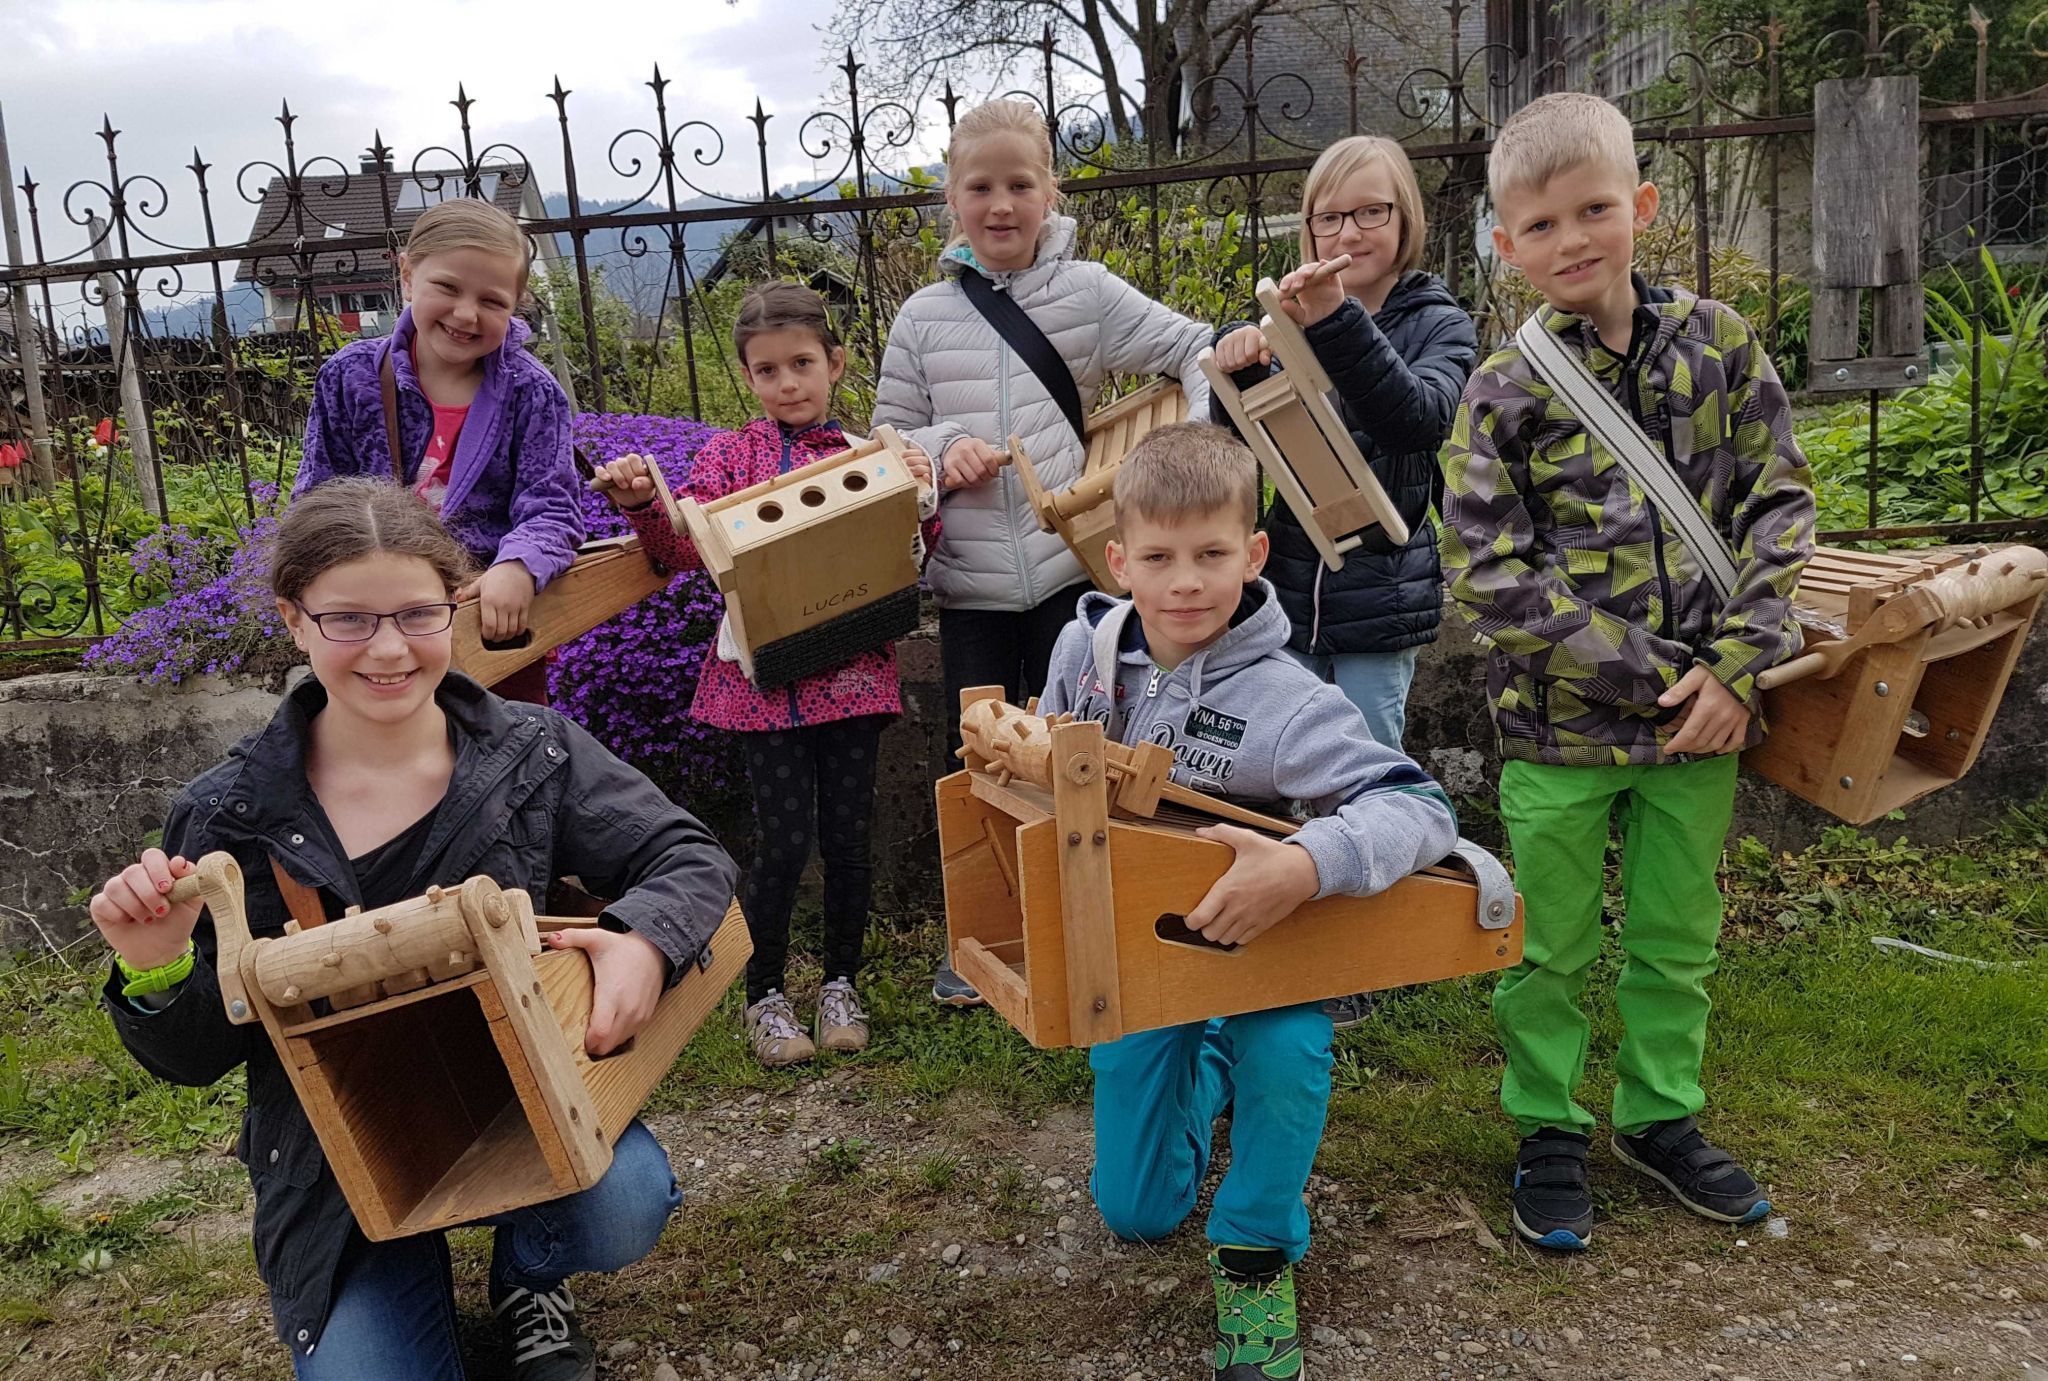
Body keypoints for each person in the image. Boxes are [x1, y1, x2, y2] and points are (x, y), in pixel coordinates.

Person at [90, 479, 738, 1380]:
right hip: (338, 1161)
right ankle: (391, 1268)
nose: (389, 648)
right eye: (349, 619)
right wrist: (157, 969)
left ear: (455, 604)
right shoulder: (227, 814)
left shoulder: (533, 753)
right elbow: (200, 1055)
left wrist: (645, 940)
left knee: (622, 1203)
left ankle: (528, 1275)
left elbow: (687, 854)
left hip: (518, 1102)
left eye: (417, 614)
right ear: (293, 619)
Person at [1438, 91, 1815, 1251]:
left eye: (1592, 209)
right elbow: (1486, 572)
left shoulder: (1719, 344)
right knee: (1546, 946)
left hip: (1705, 723)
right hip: (1557, 734)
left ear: (1640, 206)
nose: (1571, 241)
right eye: (1539, 225)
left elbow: (1778, 505)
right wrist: (1663, 675)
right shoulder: (1502, 390)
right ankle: (1546, 1125)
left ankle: (1658, 1115)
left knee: (1674, 936)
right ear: (1504, 244)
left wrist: (1737, 670)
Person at [1038, 423, 1459, 1380]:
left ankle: (1256, 1249)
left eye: (1212, 555)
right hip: (1145, 957)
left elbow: (1421, 807)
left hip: (1267, 953)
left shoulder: (1292, 701)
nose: (1185, 582)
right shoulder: (1081, 654)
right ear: (1119, 560)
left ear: (1254, 554)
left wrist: (1305, 864)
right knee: (1136, 1212)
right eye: (1158, 558)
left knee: (1286, 1049)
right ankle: (1205, 1067)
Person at [872, 96, 1213, 1005]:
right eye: (981, 187)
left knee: (1083, 749)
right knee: (980, 761)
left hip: (1074, 579)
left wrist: (1186, 452)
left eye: (1020, 184)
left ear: (1050, 190)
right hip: (970, 589)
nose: (1001, 205)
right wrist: (943, 449)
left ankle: (1089, 925)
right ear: (952, 197)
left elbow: (1195, 348)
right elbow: (885, 441)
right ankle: (987, 935)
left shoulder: (1087, 294)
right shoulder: (920, 318)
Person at [591, 281, 936, 1067]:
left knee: (848, 839)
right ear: (748, 376)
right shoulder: (729, 456)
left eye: (802, 364)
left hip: (852, 673)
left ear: (835, 363)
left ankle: (842, 983)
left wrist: (922, 493)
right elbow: (683, 550)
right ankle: (766, 993)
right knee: (781, 843)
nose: (787, 383)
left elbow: (911, 555)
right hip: (766, 685)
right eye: (768, 370)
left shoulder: (868, 452)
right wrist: (646, 506)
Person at [1211, 134, 1480, 1030]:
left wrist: (1335, 321)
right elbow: (1240, 448)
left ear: (1406, 219)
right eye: (1330, 216)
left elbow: (1416, 419)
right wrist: (1235, 370)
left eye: (1371, 211)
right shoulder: (1281, 315)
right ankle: (1290, 937)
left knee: (1368, 779)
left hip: (1381, 598)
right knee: (1283, 772)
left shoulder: (1438, 320)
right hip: (1289, 596)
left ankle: (1363, 952)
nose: (1350, 232)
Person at [297, 197, 585, 701]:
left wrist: (519, 565)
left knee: (511, 745)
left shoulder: (532, 393)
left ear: (515, 304)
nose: (466, 314)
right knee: (383, 743)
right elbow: (317, 501)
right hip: (375, 629)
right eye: (447, 288)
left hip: (488, 627)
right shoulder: (350, 378)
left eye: (492, 301)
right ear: (408, 275)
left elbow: (552, 506)